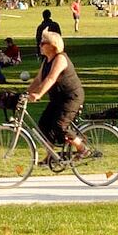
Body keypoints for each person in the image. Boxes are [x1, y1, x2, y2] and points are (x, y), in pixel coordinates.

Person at [25, 30, 86, 164]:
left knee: (60, 126)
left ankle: (82, 148)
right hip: (57, 98)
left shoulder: (60, 59)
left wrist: (38, 94)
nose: (40, 45)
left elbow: (51, 78)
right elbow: (39, 79)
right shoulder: (47, 60)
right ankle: (50, 156)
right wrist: (25, 93)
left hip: (71, 97)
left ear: (53, 45)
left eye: (42, 43)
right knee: (44, 124)